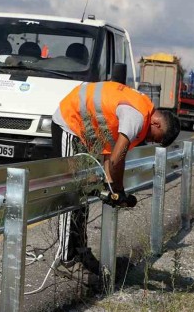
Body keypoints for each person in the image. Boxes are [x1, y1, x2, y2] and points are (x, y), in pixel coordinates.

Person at [51, 81, 181, 267]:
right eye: (154, 138)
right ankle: (66, 258)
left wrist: (115, 188)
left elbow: (112, 154)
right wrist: (117, 190)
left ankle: (79, 250)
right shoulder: (136, 118)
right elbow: (115, 159)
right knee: (72, 193)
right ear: (156, 123)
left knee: (82, 195)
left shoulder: (141, 109)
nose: (150, 141)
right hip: (69, 123)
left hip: (84, 130)